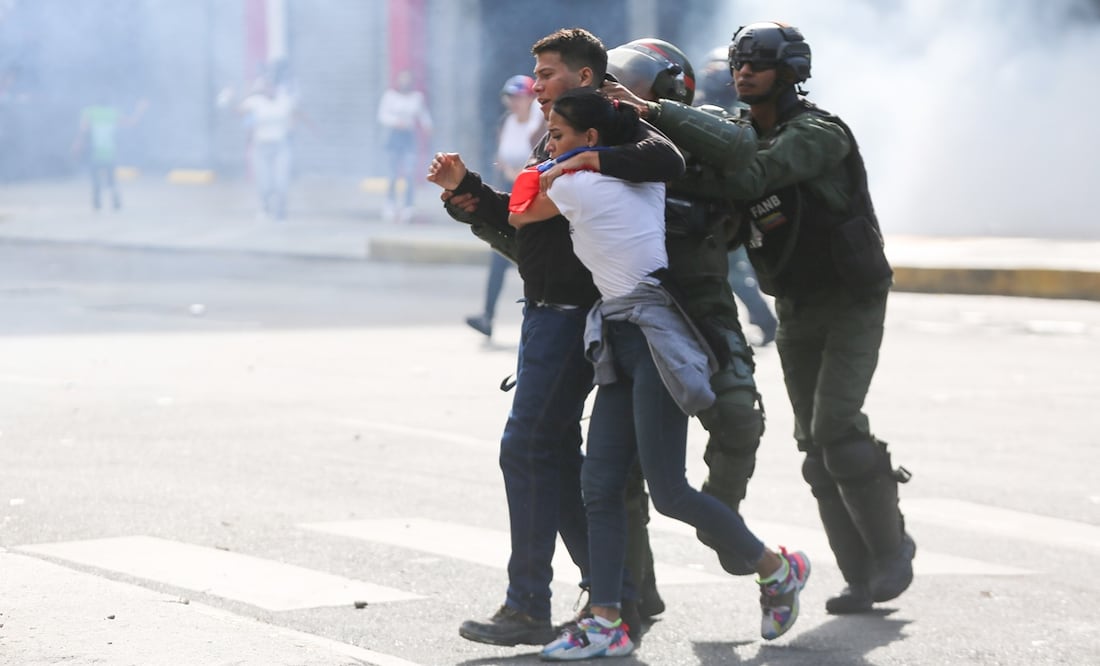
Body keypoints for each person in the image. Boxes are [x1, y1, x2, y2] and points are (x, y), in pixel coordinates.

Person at [623, 22, 916, 614]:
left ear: (790, 71)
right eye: (738, 62)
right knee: (814, 443)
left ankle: (892, 554)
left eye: (759, 62)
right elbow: (709, 181)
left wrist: (655, 115)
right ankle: (860, 577)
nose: (744, 72)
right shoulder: (733, 131)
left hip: (851, 296)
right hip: (797, 302)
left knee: (837, 429)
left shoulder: (818, 133)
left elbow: (752, 174)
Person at [517, 87, 809, 661]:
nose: (547, 144)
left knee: (669, 490)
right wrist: (587, 149)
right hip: (620, 335)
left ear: (592, 140)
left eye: (556, 134)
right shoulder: (642, 174)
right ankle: (606, 622)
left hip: (651, 335)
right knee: (599, 485)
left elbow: (520, 211)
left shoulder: (580, 184)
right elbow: (660, 154)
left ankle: (776, 569)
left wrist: (565, 164)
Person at [426, 27, 683, 649]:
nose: (536, 86)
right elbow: (522, 219)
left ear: (586, 77)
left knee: (526, 449)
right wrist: (464, 192)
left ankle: (531, 605)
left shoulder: (612, 127)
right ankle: (614, 596)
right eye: (535, 76)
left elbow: (667, 160)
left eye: (546, 74)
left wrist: (587, 156)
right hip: (544, 311)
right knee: (554, 456)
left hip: (572, 315)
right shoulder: (555, 137)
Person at [600, 38, 770, 582]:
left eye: (633, 82)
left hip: (705, 306)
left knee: (740, 416)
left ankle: (721, 520)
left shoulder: (703, 129)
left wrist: (653, 114)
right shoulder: (602, 141)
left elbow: (741, 154)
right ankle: (633, 594)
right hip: (636, 313)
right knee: (620, 470)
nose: (619, 91)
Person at [695, 46, 778, 346]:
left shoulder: (741, 119)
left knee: (734, 273)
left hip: (728, 210)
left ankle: (764, 324)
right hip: (712, 210)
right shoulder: (694, 112)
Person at [465, 75, 543, 339]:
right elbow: (500, 158)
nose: (514, 103)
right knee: (498, 257)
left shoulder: (541, 124)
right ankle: (487, 316)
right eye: (511, 97)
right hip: (510, 200)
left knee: (533, 262)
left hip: (534, 202)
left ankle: (537, 318)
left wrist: (519, 174)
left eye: (519, 97)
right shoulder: (506, 123)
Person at [238, 76, 299, 220]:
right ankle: (265, 205)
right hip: (261, 147)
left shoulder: (285, 100)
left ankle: (281, 209)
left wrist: (291, 127)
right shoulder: (255, 101)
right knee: (263, 180)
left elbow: (295, 114)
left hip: (280, 146)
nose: (269, 89)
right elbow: (240, 111)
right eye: (266, 86)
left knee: (281, 180)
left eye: (272, 86)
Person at [73, 96, 147, 211]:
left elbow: (83, 130)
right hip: (109, 152)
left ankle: (97, 204)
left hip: (94, 152)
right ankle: (115, 202)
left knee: (96, 180)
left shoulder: (89, 112)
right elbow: (131, 122)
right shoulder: (113, 113)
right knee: (111, 180)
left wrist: (77, 145)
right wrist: (140, 109)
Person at [378, 69, 432, 223]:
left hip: (409, 137)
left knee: (409, 172)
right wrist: (396, 122)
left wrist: (428, 126)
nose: (405, 82)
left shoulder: (416, 98)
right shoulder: (390, 96)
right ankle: (390, 203)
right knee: (393, 173)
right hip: (394, 136)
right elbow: (382, 115)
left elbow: (423, 115)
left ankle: (408, 205)